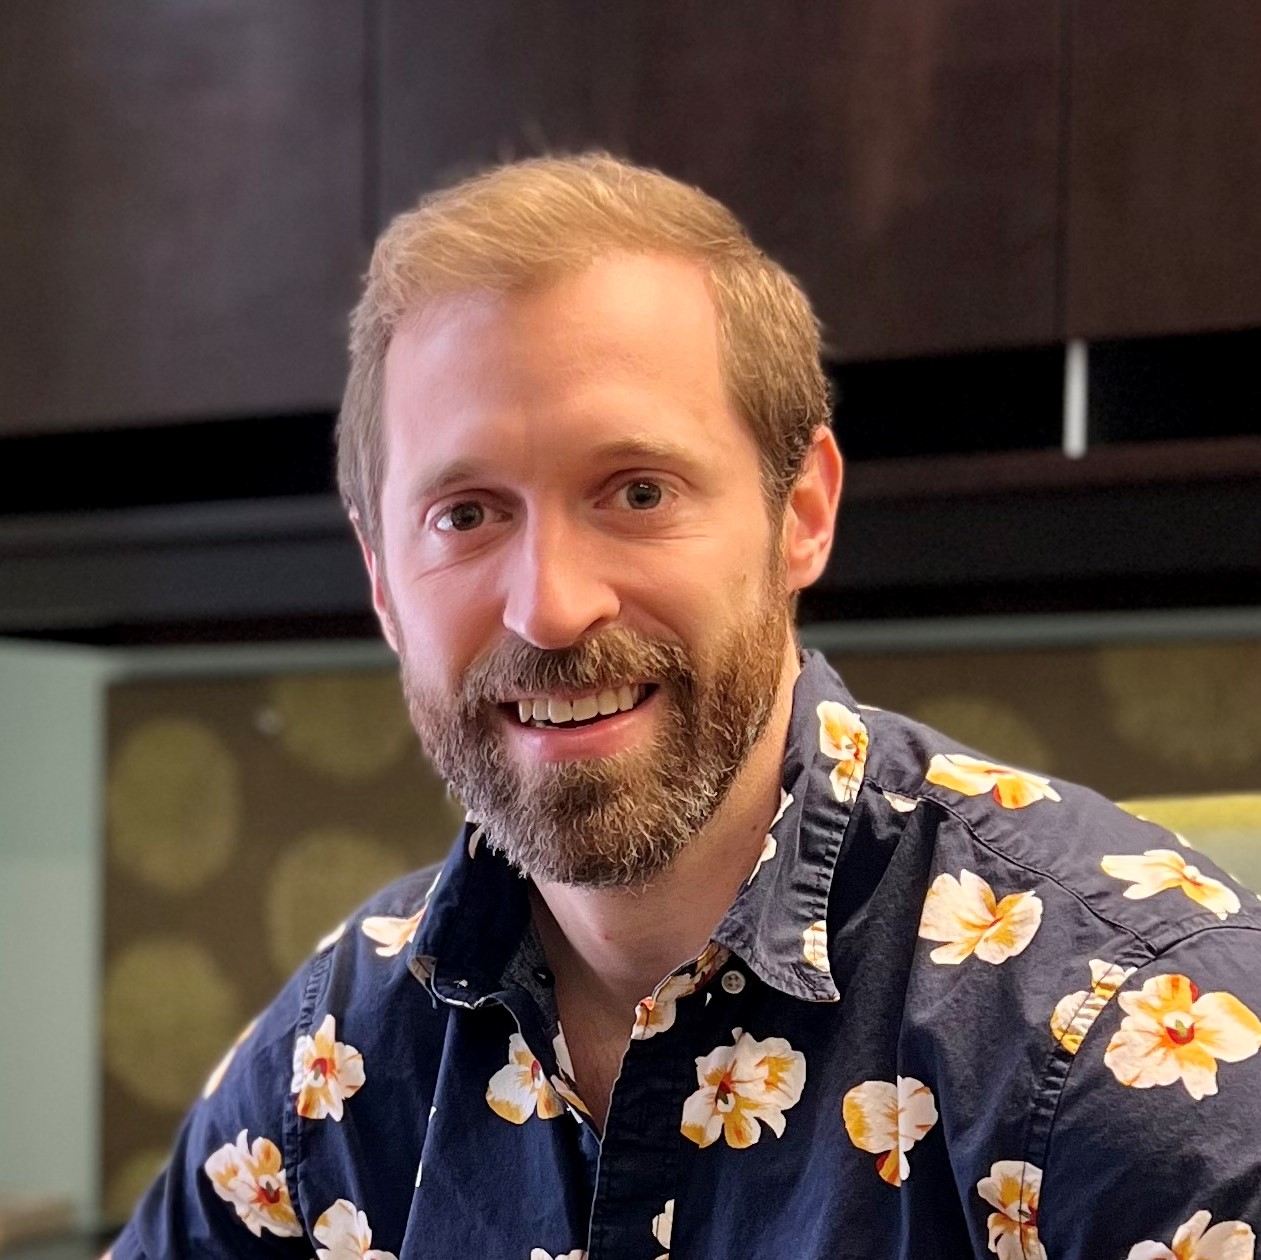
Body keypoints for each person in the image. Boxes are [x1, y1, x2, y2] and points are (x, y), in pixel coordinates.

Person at [108, 153, 1261, 1260]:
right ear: (380, 583)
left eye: (638, 491)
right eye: (466, 514)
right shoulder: (336, 1054)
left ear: (799, 514)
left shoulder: (1118, 1025)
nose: (550, 609)